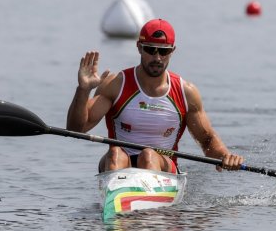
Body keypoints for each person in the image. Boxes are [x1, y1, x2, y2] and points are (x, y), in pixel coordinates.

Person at [67, 18, 244, 174]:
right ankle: (119, 202)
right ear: (139, 48)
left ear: (172, 51)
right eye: (151, 50)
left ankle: (144, 205)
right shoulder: (116, 84)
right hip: (120, 162)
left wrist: (225, 156)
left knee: (148, 156)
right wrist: (83, 90)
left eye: (164, 51)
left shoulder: (186, 92)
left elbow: (207, 140)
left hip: (161, 164)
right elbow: (76, 129)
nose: (157, 58)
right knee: (114, 153)